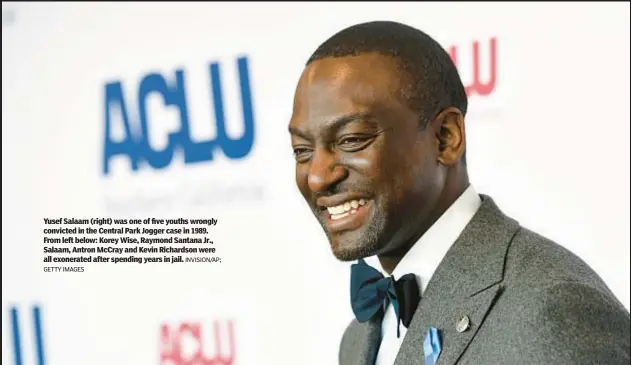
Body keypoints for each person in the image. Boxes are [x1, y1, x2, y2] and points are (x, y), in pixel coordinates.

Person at [288, 21, 630, 365]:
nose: (317, 177)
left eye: (351, 140)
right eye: (302, 150)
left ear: (446, 137)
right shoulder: (360, 336)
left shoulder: (552, 312)